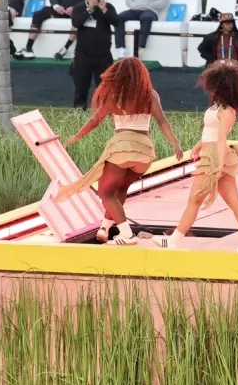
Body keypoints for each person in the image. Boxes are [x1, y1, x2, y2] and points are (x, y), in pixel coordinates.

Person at [57, 58, 181, 245]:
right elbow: (162, 121)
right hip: (144, 152)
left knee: (105, 192)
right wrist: (175, 143)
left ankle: (126, 234)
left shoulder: (112, 96)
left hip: (122, 149)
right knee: (121, 188)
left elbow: (94, 121)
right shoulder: (150, 95)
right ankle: (105, 227)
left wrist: (76, 136)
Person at [155, 62, 238, 250]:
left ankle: (174, 240)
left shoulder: (226, 111)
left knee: (195, 199)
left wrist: (217, 164)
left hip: (214, 156)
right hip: (211, 153)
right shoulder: (217, 107)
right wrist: (199, 145)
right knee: (232, 201)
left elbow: (221, 138)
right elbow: (211, 131)